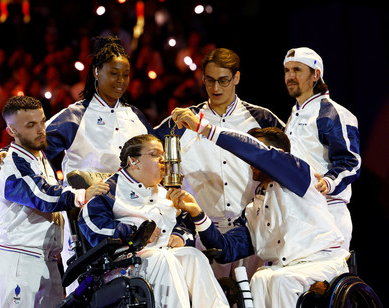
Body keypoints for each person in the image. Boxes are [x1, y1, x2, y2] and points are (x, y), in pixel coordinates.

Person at [0, 36, 155, 294]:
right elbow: (32, 142)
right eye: (114, 73)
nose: (121, 81)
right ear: (96, 72)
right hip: (86, 223)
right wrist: (3, 152)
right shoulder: (74, 116)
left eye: (126, 75)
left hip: (134, 214)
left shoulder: (135, 116)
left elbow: (155, 157)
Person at [168, 114, 349, 307]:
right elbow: (225, 249)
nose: (250, 162)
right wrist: (197, 213)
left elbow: (256, 153)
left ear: (278, 154)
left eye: (257, 155)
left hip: (322, 262)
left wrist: (203, 128)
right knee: (260, 278)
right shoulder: (254, 208)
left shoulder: (299, 174)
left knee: (280, 280)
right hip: (285, 269)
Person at [155, 47, 285, 279]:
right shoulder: (181, 121)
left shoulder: (262, 118)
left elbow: (287, 164)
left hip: (252, 231)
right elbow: (143, 155)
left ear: (236, 77)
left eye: (223, 81)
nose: (216, 88)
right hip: (201, 232)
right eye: (210, 80)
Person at [78, 134, 229, 308]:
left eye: (163, 154)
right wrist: (137, 232)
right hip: (122, 264)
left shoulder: (166, 193)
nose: (163, 160)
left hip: (162, 257)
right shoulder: (109, 190)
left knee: (193, 256)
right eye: (155, 154)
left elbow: (184, 225)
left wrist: (180, 235)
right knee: (164, 259)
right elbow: (93, 227)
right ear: (133, 161)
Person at [0, 96, 94, 307]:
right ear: (12, 131)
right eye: (31, 125)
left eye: (42, 121)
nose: (41, 129)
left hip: (46, 260)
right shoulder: (9, 165)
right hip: (19, 258)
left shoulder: (38, 156)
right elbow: (41, 196)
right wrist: (81, 195)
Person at [283, 47, 361, 250]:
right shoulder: (294, 114)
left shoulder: (333, 113)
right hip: (298, 213)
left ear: (315, 75)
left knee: (326, 281)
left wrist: (328, 181)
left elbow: (351, 161)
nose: (290, 76)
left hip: (328, 211)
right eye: (287, 70)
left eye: (297, 70)